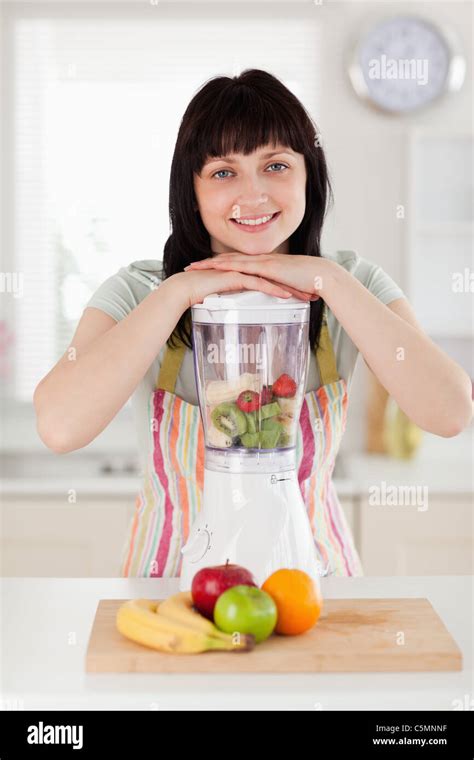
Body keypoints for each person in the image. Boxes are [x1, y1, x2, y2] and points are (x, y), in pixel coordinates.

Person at [34, 69, 472, 579]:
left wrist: (325, 278)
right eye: (223, 172)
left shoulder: (351, 282)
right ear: (190, 192)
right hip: (169, 593)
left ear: (310, 175)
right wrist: (181, 291)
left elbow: (449, 411)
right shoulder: (139, 292)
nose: (254, 194)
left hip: (314, 590)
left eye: (276, 165)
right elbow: (60, 426)